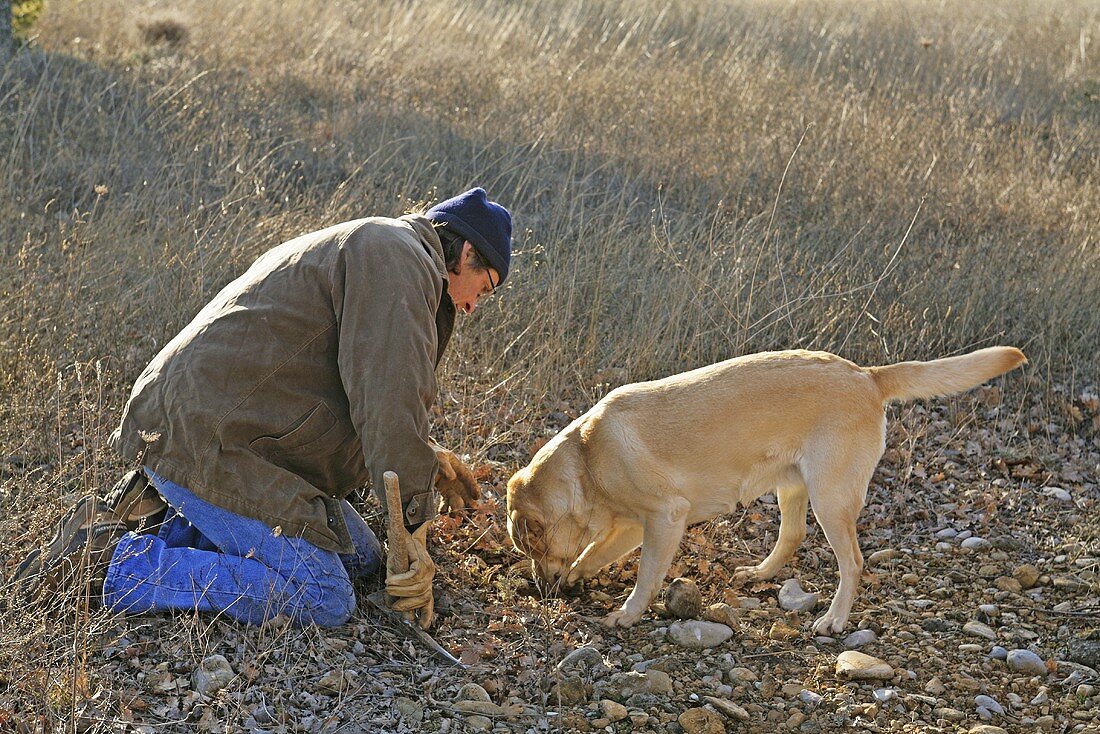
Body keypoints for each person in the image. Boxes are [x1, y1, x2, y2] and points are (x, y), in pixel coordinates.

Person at [12, 187, 513, 629]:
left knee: (363, 561)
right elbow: (388, 404)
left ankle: (169, 521)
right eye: (483, 288)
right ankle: (110, 562)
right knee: (325, 595)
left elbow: (362, 387)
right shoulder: (396, 261)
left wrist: (423, 457)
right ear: (466, 251)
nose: (471, 306)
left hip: (235, 434)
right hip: (205, 440)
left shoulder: (388, 250)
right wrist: (414, 527)